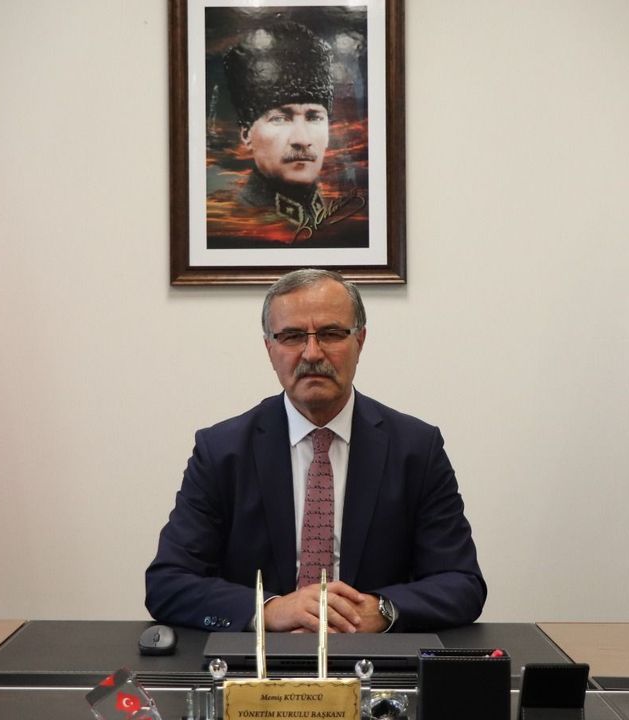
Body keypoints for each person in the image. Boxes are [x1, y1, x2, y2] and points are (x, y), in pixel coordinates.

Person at [146, 269, 486, 633]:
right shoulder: (221, 451)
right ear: (270, 349)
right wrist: (267, 610)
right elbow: (168, 583)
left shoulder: (416, 449)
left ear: (360, 342)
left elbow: (461, 582)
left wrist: (382, 610)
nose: (312, 353)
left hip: (374, 656)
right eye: (292, 336)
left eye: (331, 333)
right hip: (258, 657)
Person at [222, 21, 336, 232]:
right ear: (246, 134)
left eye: (314, 117)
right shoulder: (233, 226)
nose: (302, 139)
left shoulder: (335, 219)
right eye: (280, 118)